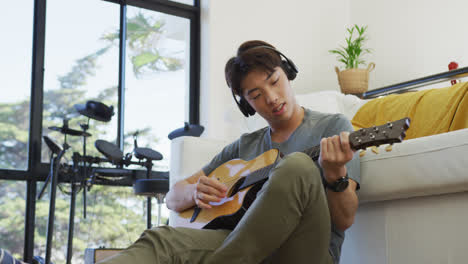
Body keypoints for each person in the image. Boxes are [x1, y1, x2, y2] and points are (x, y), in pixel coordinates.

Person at [99, 40, 360, 264]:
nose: (271, 98)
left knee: (297, 166)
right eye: (256, 95)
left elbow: (344, 220)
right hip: (241, 245)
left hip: (301, 250)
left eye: (274, 82)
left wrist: (335, 173)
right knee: (162, 240)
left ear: (287, 73)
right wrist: (194, 190)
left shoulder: (334, 128)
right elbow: (172, 198)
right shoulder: (244, 147)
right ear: (246, 104)